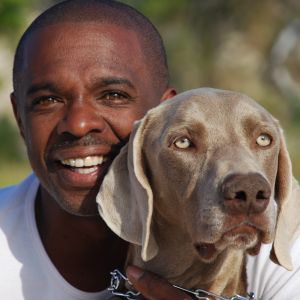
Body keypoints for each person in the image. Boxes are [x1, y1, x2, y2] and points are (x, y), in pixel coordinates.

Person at [0, 0, 300, 300]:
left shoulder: (269, 234)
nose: (79, 124)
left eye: (113, 95)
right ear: (20, 119)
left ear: (166, 109)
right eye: (47, 100)